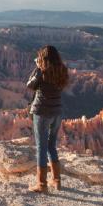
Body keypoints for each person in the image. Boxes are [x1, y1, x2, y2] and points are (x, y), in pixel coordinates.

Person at [26, 45, 70, 193]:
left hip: (42, 111)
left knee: (41, 147)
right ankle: (57, 181)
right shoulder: (62, 70)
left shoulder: (41, 71)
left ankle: (41, 184)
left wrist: (37, 68)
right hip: (57, 112)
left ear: (42, 58)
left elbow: (30, 85)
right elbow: (62, 86)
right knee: (51, 145)